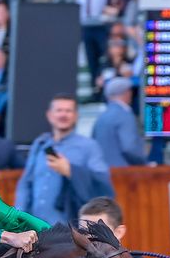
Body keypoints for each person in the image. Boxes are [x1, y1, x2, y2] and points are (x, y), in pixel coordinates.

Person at [15, 94, 114, 226]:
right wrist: (19, 216)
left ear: (76, 115)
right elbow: (26, 183)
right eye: (59, 110)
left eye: (68, 111)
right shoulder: (40, 144)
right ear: (50, 115)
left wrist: (71, 171)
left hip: (68, 228)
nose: (63, 115)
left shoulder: (89, 146)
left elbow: (103, 183)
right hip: (34, 227)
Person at [77, 0, 118, 100]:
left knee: (105, 58)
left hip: (103, 23)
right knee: (91, 58)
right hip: (87, 22)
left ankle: (107, 93)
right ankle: (96, 92)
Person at [91, 77, 146, 168]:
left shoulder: (101, 117)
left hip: (103, 171)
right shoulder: (125, 115)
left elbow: (93, 144)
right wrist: (143, 162)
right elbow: (130, 148)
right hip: (123, 174)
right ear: (127, 93)